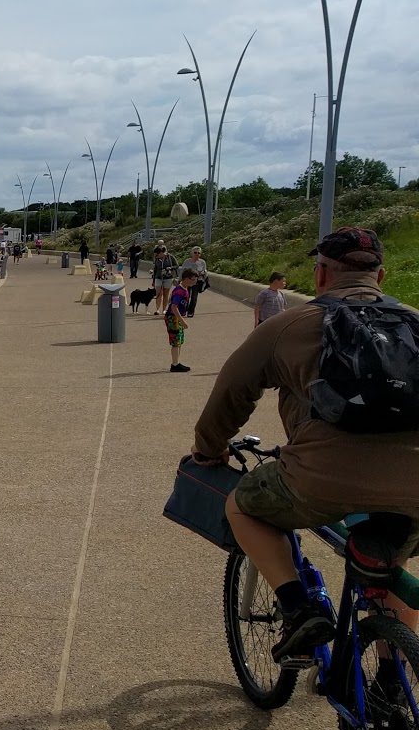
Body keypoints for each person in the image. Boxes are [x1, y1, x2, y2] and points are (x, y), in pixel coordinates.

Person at [190, 228, 419, 661]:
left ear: (320, 276)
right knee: (392, 562)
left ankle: (299, 607)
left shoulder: (289, 326)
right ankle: (392, 687)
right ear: (382, 276)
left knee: (242, 504)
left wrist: (209, 447)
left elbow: (230, 396)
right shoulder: (416, 323)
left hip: (320, 481)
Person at [166, 269, 198, 372]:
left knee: (179, 340)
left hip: (177, 316)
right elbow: (174, 307)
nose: (194, 282)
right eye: (193, 280)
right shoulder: (179, 291)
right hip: (173, 317)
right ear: (186, 279)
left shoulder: (184, 289)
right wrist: (182, 321)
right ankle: (174, 364)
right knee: (175, 341)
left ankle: (177, 362)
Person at [180, 246, 208, 316]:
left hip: (197, 282)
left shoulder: (202, 262)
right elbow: (182, 272)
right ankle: (184, 310)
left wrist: (204, 272)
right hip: (187, 282)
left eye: (199, 253)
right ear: (192, 253)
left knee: (194, 298)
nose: (197, 254)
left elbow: (205, 270)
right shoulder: (187, 261)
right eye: (195, 252)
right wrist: (179, 280)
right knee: (186, 296)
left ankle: (191, 312)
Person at [151, 244, 177, 314]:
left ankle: (164, 309)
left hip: (168, 277)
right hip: (158, 277)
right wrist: (153, 280)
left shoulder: (170, 257)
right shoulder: (157, 259)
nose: (156, 256)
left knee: (166, 294)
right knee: (158, 293)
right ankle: (157, 309)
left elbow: (176, 265)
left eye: (157, 254)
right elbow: (155, 269)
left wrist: (170, 268)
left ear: (161, 253)